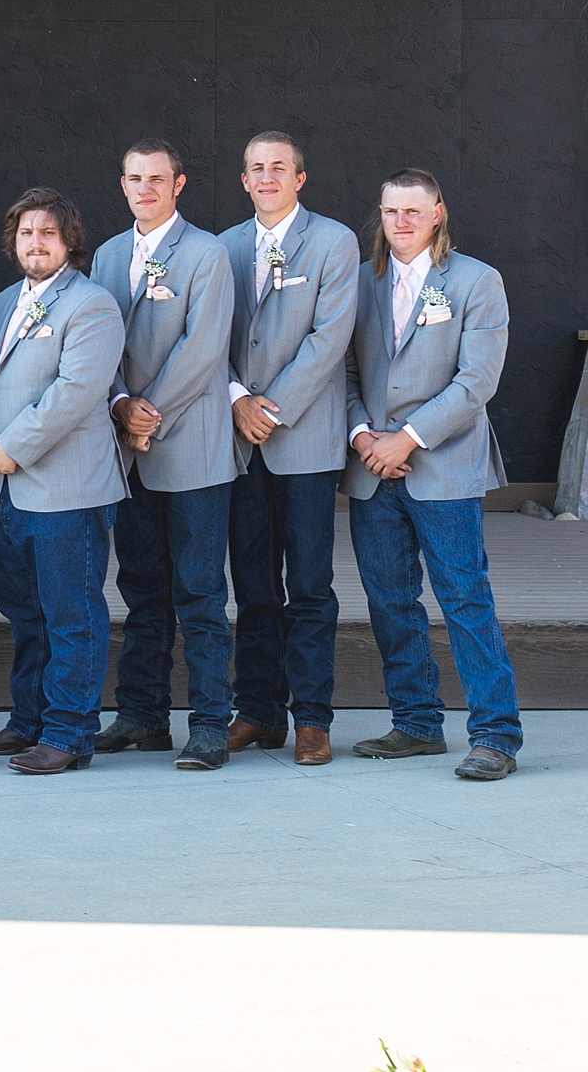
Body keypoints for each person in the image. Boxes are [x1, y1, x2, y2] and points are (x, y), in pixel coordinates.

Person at [343, 169, 521, 781]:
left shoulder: (476, 281)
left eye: (413, 212)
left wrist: (407, 438)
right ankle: (416, 724)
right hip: (372, 468)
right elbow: (341, 373)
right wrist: (365, 435)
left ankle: (496, 735)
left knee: (465, 599)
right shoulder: (361, 283)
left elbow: (477, 381)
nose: (400, 223)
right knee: (391, 602)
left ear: (437, 213)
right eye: (391, 211)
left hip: (443, 467)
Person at [0, 188, 127, 774]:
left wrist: (9, 450)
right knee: (24, 612)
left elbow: (75, 395)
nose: (36, 243)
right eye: (27, 232)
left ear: (69, 243)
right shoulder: (2, 305)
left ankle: (69, 734)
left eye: (48, 234)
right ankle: (28, 722)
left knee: (70, 615)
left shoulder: (92, 305)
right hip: (4, 490)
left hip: (66, 491)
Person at [91, 141, 239, 770]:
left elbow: (203, 350)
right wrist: (121, 404)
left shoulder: (207, 253)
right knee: (140, 588)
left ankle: (209, 723)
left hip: (192, 449)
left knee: (200, 592)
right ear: (122, 184)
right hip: (127, 448)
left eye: (157, 178)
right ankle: (142, 715)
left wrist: (149, 413)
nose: (144, 188)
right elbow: (94, 339)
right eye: (134, 178)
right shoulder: (107, 254)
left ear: (179, 184)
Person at [220, 131, 360, 767]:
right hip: (238, 443)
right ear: (244, 180)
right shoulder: (220, 248)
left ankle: (313, 718)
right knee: (251, 583)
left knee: (308, 585)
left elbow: (329, 341)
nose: (268, 176)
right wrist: (234, 400)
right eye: (257, 168)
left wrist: (267, 409)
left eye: (280, 167)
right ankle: (258, 710)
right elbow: (209, 341)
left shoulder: (333, 243)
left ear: (300, 178)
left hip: (303, 441)